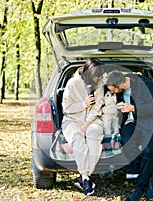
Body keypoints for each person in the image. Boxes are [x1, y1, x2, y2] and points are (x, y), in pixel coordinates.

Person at [105, 70, 153, 201]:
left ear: (120, 85)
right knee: (127, 142)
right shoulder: (121, 90)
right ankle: (148, 175)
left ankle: (139, 189)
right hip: (133, 121)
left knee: (147, 151)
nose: (114, 93)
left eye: (113, 90)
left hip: (152, 122)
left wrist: (133, 108)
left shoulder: (145, 84)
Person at [61, 58, 104, 196]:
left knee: (95, 135)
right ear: (88, 73)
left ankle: (84, 178)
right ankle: (86, 177)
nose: (98, 78)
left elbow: (97, 107)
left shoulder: (99, 83)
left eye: (100, 76)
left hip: (93, 120)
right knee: (78, 138)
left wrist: (87, 123)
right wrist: (83, 104)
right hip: (72, 120)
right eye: (96, 75)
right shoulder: (72, 83)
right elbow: (66, 108)